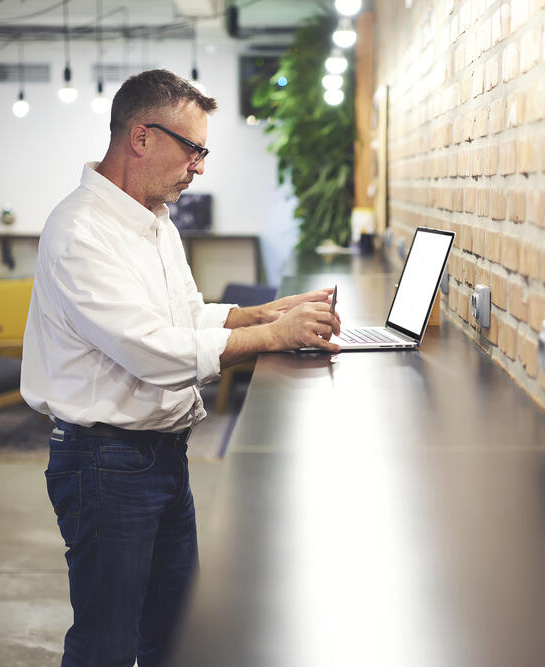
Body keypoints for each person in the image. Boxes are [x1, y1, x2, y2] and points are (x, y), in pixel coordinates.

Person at [21, 69, 341, 667]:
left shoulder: (154, 221)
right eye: (193, 148)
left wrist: (259, 314)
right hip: (105, 463)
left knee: (174, 639)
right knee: (105, 647)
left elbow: (184, 316)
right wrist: (275, 335)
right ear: (140, 137)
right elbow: (148, 349)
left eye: (203, 150)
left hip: (160, 453)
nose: (199, 166)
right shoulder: (79, 232)